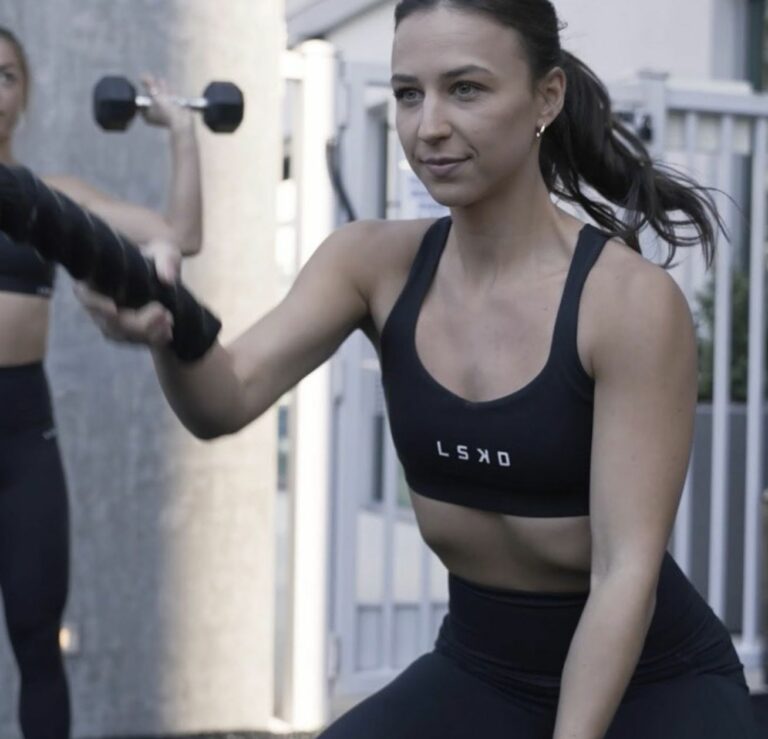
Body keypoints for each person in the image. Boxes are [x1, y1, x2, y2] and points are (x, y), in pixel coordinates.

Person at [76, 1, 760, 736]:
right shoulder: (372, 264)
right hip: (481, 666)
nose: (428, 125)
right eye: (408, 93)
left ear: (547, 97)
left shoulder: (625, 302)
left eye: (465, 89)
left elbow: (626, 573)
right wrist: (164, 331)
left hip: (650, 680)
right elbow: (225, 398)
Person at [0, 26, 203, 739]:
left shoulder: (46, 199)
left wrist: (181, 131)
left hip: (23, 432)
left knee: (36, 637)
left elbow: (179, 232)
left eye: (6, 76)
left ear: (24, 97)